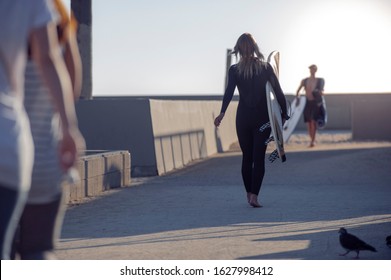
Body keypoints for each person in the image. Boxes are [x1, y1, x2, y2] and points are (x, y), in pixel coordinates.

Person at [0, 0, 85, 259]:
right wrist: (69, 128)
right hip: (40, 153)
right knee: (38, 249)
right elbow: (72, 87)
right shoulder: (52, 15)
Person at [214, 33, 288, 208]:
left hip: (243, 118)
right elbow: (278, 92)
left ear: (238, 49)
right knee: (259, 158)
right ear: (255, 48)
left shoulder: (234, 70)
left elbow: (229, 93)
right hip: (263, 119)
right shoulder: (265, 67)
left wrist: (222, 113)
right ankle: (255, 195)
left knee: (247, 157)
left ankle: (248, 194)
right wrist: (284, 114)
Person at [296, 64, 325, 147]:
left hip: (315, 103)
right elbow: (298, 90)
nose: (312, 71)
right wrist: (297, 97)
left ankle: (312, 141)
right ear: (309, 70)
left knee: (313, 121)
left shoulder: (319, 81)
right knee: (308, 122)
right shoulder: (305, 80)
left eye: (313, 69)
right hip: (307, 102)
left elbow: (322, 92)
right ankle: (312, 139)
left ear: (316, 70)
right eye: (311, 69)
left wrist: (319, 93)